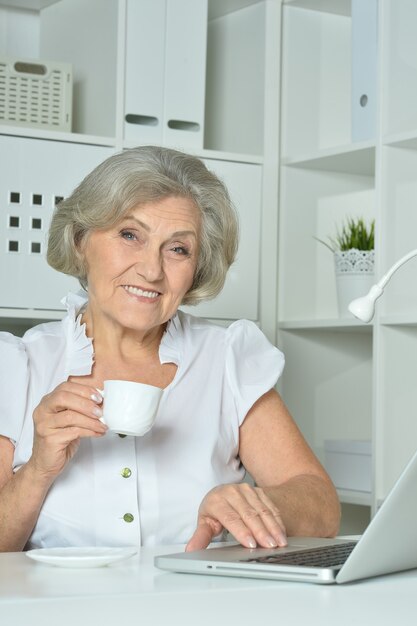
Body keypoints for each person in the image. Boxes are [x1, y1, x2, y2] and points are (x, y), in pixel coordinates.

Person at [0, 146, 340, 552]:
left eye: (178, 249)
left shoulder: (226, 359)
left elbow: (322, 506)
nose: (152, 270)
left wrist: (255, 504)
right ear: (79, 241)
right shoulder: (19, 366)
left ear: (197, 268)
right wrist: (38, 469)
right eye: (130, 235)